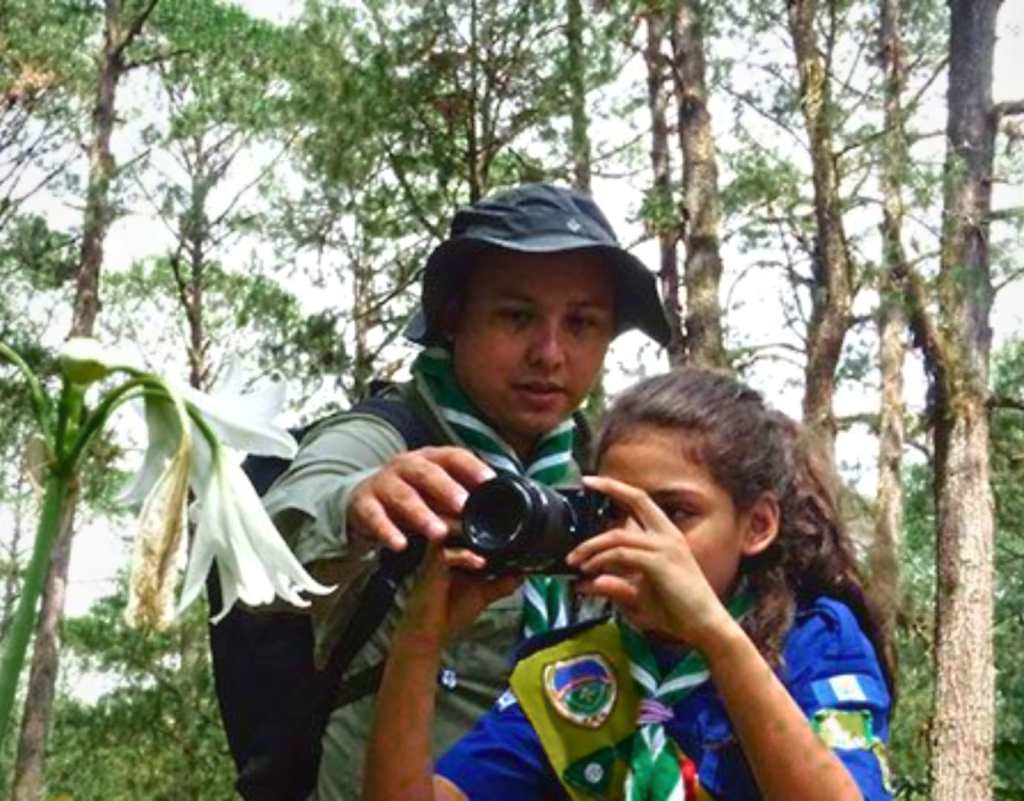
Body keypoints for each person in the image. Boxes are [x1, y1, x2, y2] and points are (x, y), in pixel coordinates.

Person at [260, 183, 672, 800]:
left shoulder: (600, 468)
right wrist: (358, 506)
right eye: (516, 316)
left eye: (583, 323)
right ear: (455, 318)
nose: (550, 353)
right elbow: (270, 544)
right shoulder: (389, 438)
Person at [363, 367, 896, 801]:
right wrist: (421, 638)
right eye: (613, 510)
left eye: (674, 512)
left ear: (757, 525)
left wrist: (715, 637)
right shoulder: (575, 674)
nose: (635, 536)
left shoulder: (815, 642)